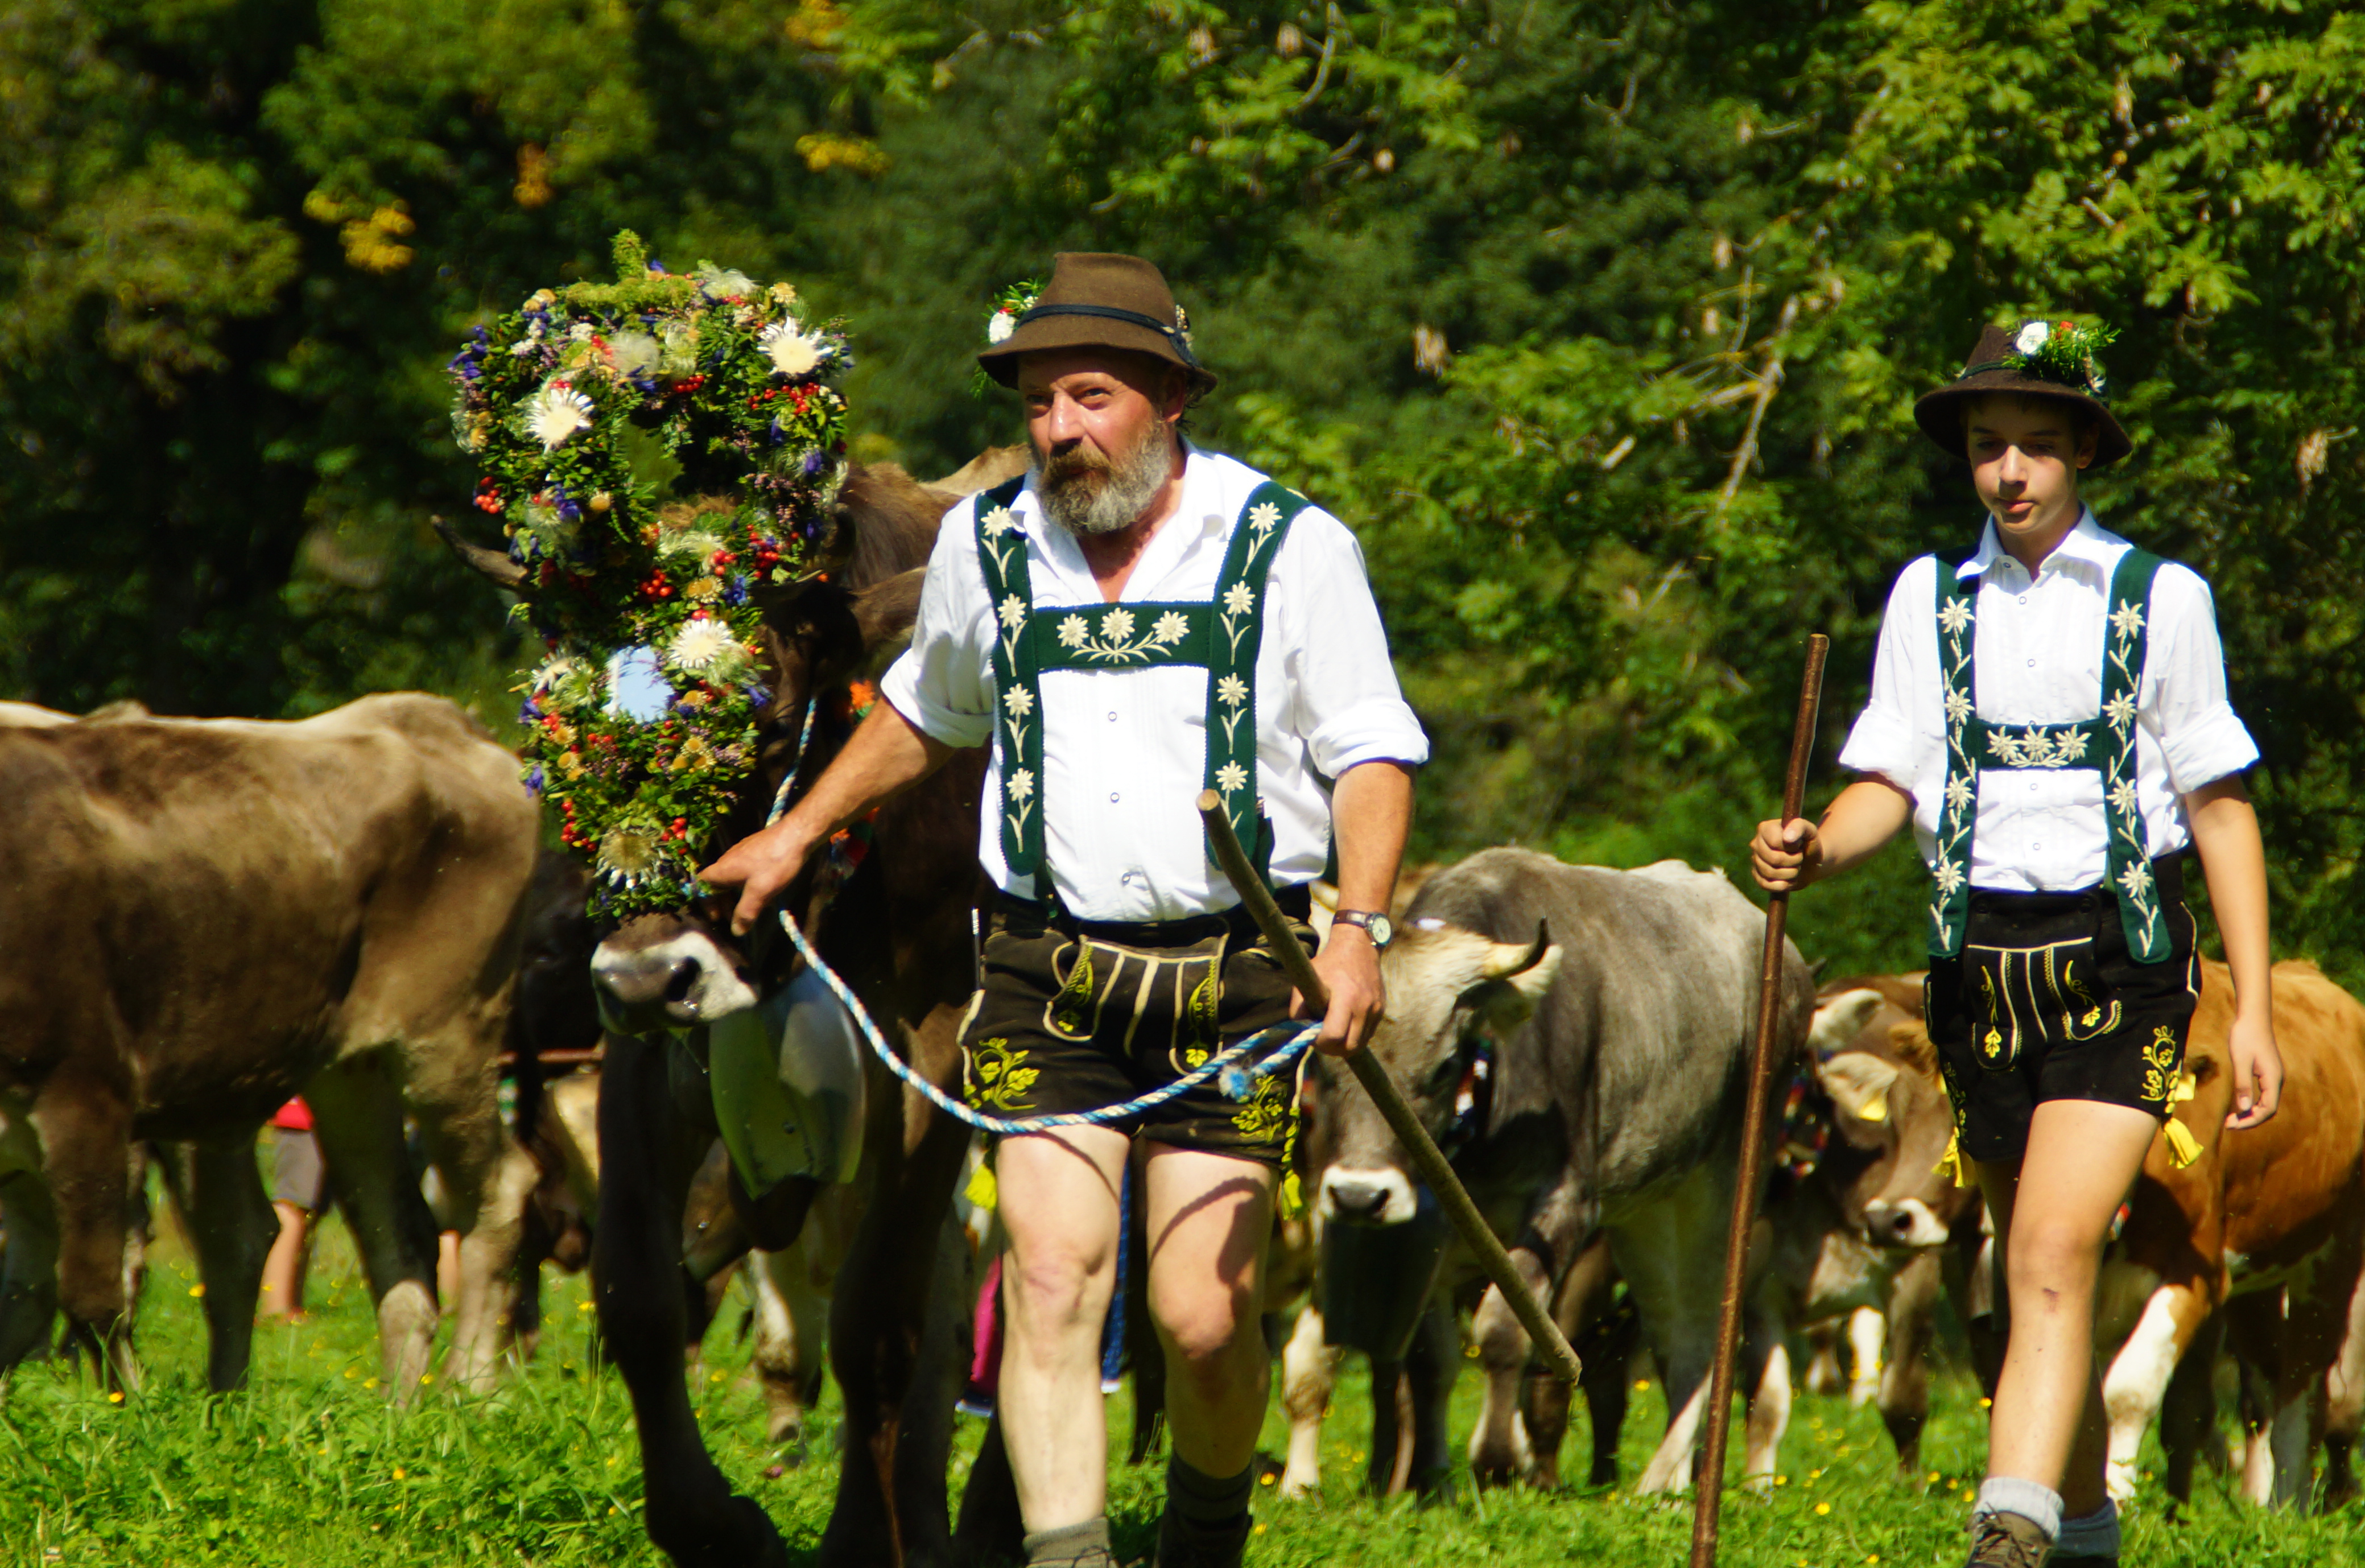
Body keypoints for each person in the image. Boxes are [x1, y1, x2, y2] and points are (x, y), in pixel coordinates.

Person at [702, 252, 1426, 1568]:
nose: (1057, 432)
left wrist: (1355, 927)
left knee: (1201, 1320)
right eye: (1039, 404)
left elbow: (1371, 747)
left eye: (1087, 398)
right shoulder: (991, 545)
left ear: (1165, 394)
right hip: (1046, 963)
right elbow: (929, 706)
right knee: (1047, 1276)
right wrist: (794, 832)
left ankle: (1204, 1537)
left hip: (1234, 973)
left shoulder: (1289, 547)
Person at [1750, 321, 2280, 1568]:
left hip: (2118, 956)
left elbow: (2217, 804)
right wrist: (1816, 846)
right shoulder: (1925, 599)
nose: (2009, 472)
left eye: (2038, 446)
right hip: (1971, 966)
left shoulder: (2161, 598)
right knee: (2013, 1269)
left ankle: (2005, 1531)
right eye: (1989, 447)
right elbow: (1886, 775)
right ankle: (2084, 1529)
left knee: (2048, 1249)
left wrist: (2249, 1007)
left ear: (2083, 450)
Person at [259, 1097, 328, 1320]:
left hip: (320, 1115)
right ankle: (276, 1308)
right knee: (293, 1207)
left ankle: (291, 1305)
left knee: (306, 1212)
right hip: (302, 1118)